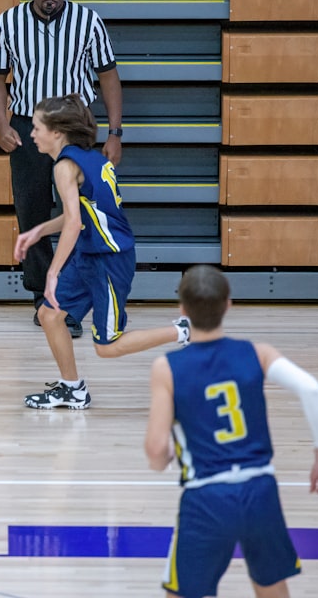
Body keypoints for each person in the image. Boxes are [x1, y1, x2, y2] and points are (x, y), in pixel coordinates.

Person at [144, 264, 318, 598]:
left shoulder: (167, 368)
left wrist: (162, 460)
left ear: (183, 310)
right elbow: (310, 389)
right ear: (228, 304)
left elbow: (155, 450)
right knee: (270, 587)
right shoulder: (257, 353)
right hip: (260, 490)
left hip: (207, 496)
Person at [14, 95, 190, 410]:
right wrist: (39, 230)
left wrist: (51, 273)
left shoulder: (65, 166)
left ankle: (181, 331)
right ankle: (72, 389)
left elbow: (74, 223)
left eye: (37, 127)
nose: (32, 134)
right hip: (90, 254)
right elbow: (82, 212)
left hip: (109, 258)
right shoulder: (89, 158)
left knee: (107, 347)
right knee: (49, 314)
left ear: (57, 132)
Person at [0, 0, 124, 339]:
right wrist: (2, 125)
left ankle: (72, 301)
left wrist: (115, 133)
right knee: (31, 212)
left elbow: (109, 76)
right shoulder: (8, 22)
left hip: (75, 129)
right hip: (28, 128)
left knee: (79, 212)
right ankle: (43, 298)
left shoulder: (88, 22)